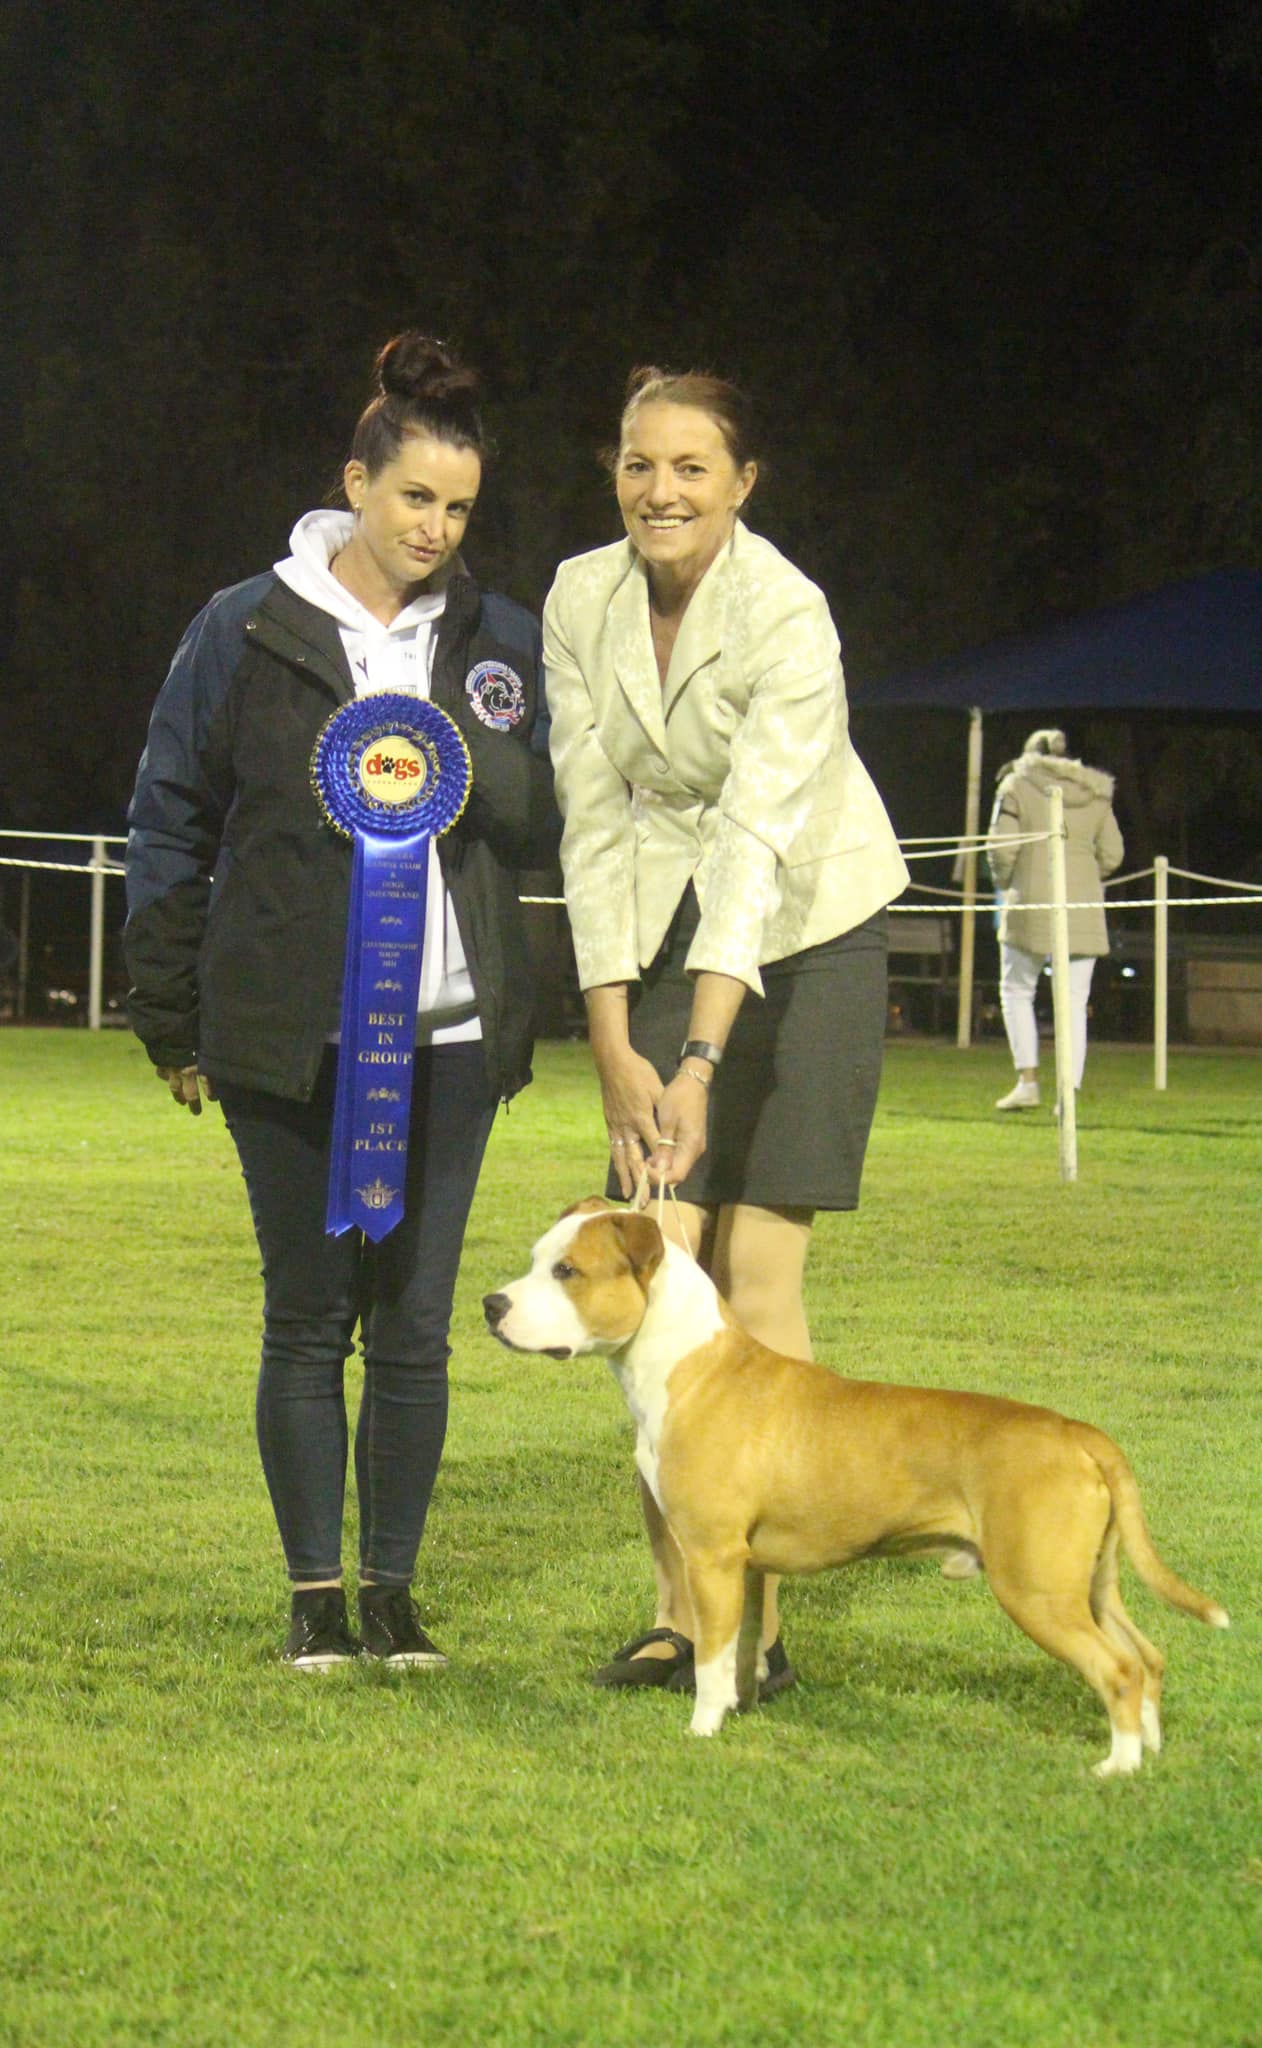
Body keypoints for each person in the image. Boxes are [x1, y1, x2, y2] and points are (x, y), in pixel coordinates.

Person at [125, 334, 559, 1669]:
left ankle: (392, 1594)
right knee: (308, 1318)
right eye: (415, 496)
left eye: (459, 507)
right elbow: (168, 816)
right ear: (357, 484)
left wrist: (461, 754)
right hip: (286, 1038)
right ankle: (314, 1595)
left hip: (453, 1039)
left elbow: (543, 811)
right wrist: (170, 1013)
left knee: (416, 1328)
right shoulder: (242, 625)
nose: (435, 528)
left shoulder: (498, 639)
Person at [542, 366, 908, 1695]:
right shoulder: (577, 596)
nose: (662, 490)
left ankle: (755, 1633)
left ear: (741, 482)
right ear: (613, 472)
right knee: (659, 1266)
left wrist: (695, 1058)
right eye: (639, 463)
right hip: (659, 927)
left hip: (811, 924)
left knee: (754, 1273)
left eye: (691, 466)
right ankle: (678, 1615)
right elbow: (590, 823)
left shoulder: (786, 611)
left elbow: (752, 842)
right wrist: (613, 1041)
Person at [988, 727, 1124, 1109]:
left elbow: (1001, 848)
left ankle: (1028, 1082)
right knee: (1074, 1003)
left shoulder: (1015, 785)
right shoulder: (1096, 792)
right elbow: (1113, 854)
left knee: (1017, 991)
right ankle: (1068, 1095)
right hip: (1082, 908)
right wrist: (1084, 877)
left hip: (1029, 904)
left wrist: (1007, 883)